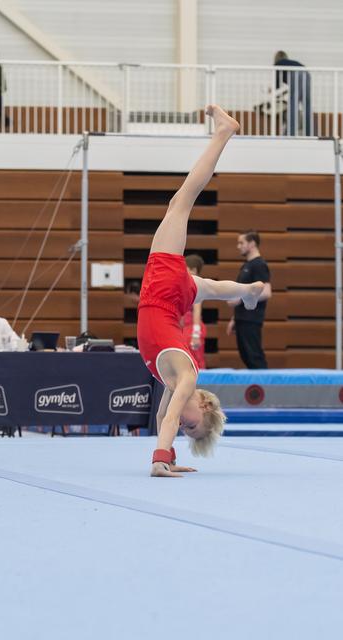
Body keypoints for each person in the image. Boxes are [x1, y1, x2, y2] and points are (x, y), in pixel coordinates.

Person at [137, 105, 264, 478]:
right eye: (193, 427)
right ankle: (224, 132)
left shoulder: (173, 381)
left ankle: (247, 290)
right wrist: (161, 458)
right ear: (205, 408)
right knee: (183, 200)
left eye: (185, 432)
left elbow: (163, 414)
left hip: (170, 298)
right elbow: (172, 415)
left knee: (204, 287)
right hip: (161, 293)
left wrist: (170, 453)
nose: (184, 426)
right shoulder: (188, 376)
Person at [226, 231, 271, 369]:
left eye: (241, 243)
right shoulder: (246, 266)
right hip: (242, 318)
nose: (238, 246)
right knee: (246, 356)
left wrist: (239, 299)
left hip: (251, 318)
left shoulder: (259, 265)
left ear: (252, 244)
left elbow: (266, 292)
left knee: (254, 356)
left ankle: (264, 386)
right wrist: (234, 318)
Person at [274, 51, 311, 136]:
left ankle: (290, 133)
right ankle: (309, 133)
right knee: (307, 105)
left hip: (296, 74)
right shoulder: (289, 63)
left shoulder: (278, 63)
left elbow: (277, 83)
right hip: (307, 74)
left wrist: (272, 90)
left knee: (293, 106)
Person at [182, 254, 206, 370]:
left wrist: (196, 334)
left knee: (195, 360)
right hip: (185, 328)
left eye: (184, 268)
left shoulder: (196, 285)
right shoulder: (187, 285)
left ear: (193, 270)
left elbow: (197, 310)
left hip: (193, 329)